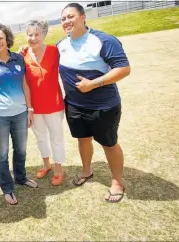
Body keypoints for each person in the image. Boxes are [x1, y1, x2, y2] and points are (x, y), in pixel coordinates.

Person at [57, 3, 131, 203]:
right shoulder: (61, 45)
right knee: (83, 139)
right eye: (63, 19)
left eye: (70, 16)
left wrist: (93, 84)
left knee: (109, 143)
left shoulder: (103, 41)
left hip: (103, 106)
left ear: (82, 17)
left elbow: (124, 69)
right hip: (74, 105)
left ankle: (117, 182)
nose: (66, 21)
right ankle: (87, 172)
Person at [0, 23, 38, 205]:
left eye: (0, 39)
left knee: (21, 149)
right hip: (0, 116)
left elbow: (25, 85)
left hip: (20, 113)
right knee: (2, 154)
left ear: (7, 40)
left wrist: (29, 109)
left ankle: (20, 177)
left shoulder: (18, 59)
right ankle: (7, 187)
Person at [19, 20, 67, 185]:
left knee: (56, 137)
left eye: (37, 34)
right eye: (30, 34)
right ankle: (47, 165)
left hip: (53, 104)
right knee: (40, 137)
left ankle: (59, 169)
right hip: (34, 107)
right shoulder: (23, 55)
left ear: (43, 35)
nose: (33, 38)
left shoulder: (54, 51)